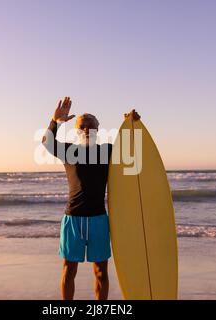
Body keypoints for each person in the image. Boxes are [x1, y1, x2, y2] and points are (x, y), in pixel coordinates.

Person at [42, 96, 140, 300]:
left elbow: (132, 150)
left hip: (98, 219)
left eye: (91, 125)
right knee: (69, 271)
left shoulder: (108, 150)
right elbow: (47, 143)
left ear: (98, 128)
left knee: (101, 272)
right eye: (82, 125)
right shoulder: (69, 150)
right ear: (77, 130)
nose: (87, 129)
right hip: (73, 218)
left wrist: (132, 124)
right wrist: (56, 121)